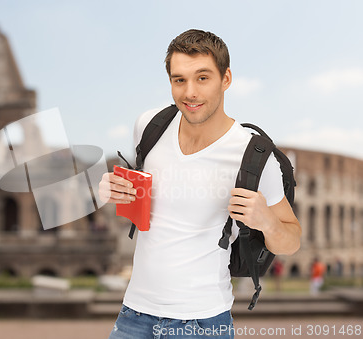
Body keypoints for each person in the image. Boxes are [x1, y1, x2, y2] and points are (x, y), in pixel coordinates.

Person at [99, 29, 301, 339]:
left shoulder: (254, 157)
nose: (190, 92)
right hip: (133, 315)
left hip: (202, 323)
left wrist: (268, 222)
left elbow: (292, 240)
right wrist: (115, 190)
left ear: (226, 79)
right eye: (179, 80)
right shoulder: (149, 126)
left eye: (202, 78)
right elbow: (150, 204)